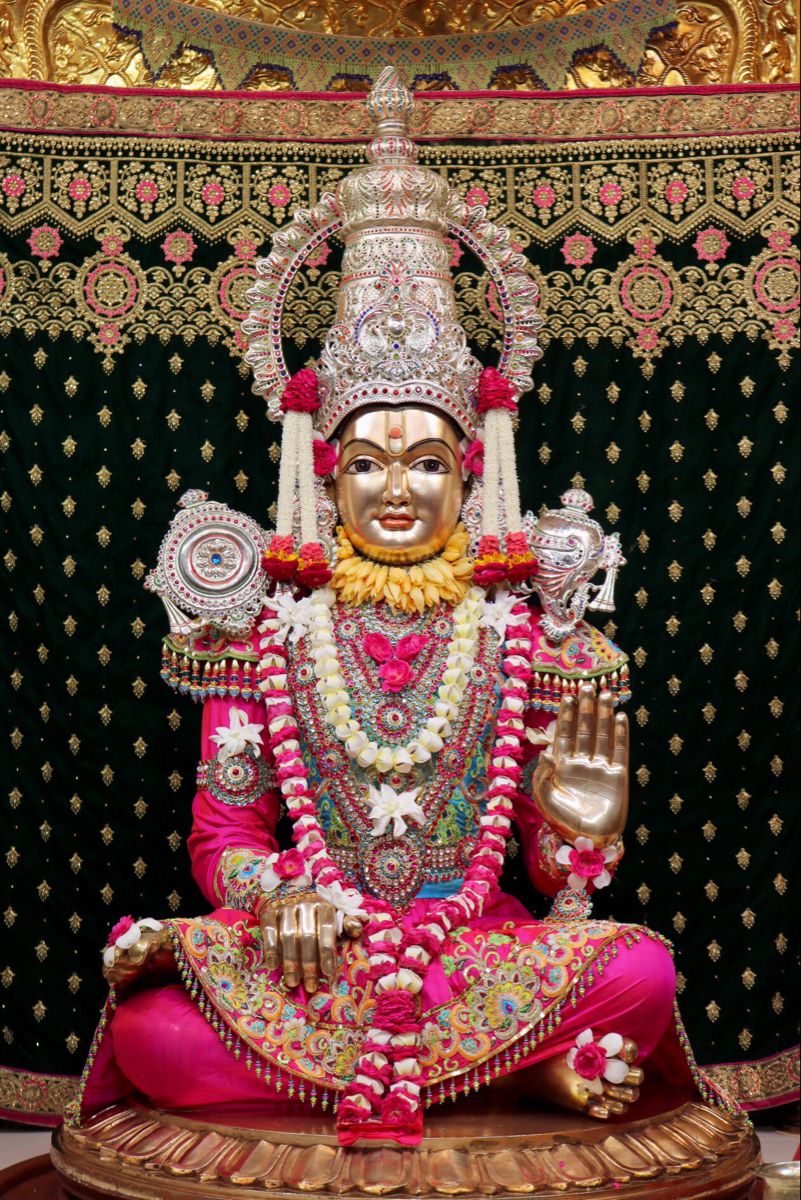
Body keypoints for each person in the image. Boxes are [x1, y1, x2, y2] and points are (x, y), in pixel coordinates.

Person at [78, 68, 727, 1147]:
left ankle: (431, 1072)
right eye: (367, 463)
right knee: (153, 1033)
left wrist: (576, 846)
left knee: (640, 972)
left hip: (475, 946)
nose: (394, 489)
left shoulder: (528, 631)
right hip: (310, 945)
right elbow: (223, 833)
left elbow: (542, 877)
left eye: (426, 461)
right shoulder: (263, 629)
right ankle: (522, 1079)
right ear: (324, 477)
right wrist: (283, 892)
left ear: (470, 478)